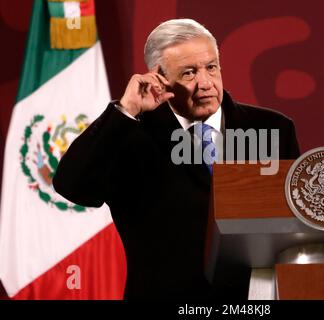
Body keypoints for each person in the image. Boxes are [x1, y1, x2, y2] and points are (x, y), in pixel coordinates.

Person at [53, 18, 300, 300]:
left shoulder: (273, 129)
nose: (205, 83)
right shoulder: (129, 135)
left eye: (211, 67)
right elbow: (73, 186)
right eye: (189, 73)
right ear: (159, 76)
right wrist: (125, 110)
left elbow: (298, 224)